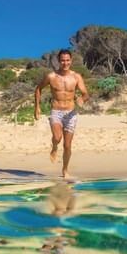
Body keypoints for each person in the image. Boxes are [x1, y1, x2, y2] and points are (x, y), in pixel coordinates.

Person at [34, 49, 90, 179]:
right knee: (57, 137)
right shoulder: (51, 76)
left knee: (67, 146)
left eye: (67, 60)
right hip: (56, 111)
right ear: (59, 61)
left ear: (71, 61)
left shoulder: (76, 77)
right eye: (63, 60)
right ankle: (54, 147)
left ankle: (65, 170)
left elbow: (86, 93)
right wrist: (37, 107)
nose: (65, 63)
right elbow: (38, 89)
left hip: (71, 113)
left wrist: (82, 99)